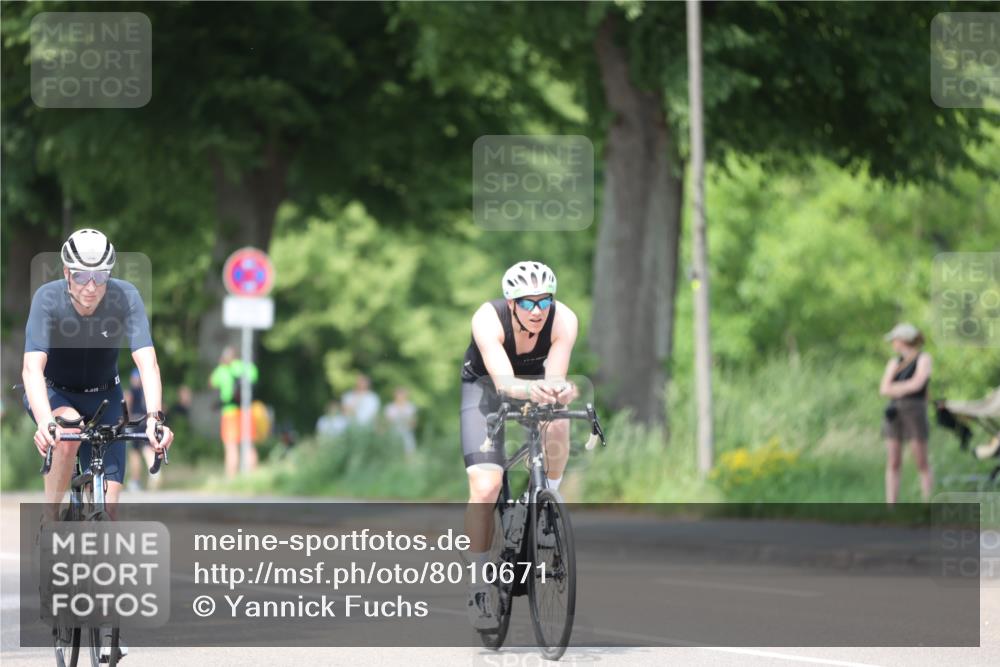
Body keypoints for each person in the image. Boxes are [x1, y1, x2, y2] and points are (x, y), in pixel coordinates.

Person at [21, 228, 174, 661]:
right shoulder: (48, 299)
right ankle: (50, 527)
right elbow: (33, 368)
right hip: (57, 395)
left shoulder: (124, 297)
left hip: (106, 397)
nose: (91, 288)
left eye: (100, 276)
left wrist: (156, 418)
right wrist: (46, 421)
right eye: (82, 277)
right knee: (67, 437)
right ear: (66, 272)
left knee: (109, 510)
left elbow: (147, 360)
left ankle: (108, 623)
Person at [459, 261, 578, 629]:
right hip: (486, 388)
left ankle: (545, 510)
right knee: (486, 486)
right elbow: (505, 382)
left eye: (545, 301)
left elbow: (554, 376)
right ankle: (478, 585)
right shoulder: (487, 318)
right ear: (511, 304)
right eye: (528, 303)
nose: (538, 311)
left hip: (535, 383)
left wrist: (560, 390)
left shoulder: (564, 320)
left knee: (558, 421)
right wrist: (535, 388)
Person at [879, 322, 933, 503]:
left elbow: (918, 384)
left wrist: (896, 387)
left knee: (921, 460)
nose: (893, 343)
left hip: (914, 410)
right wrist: (903, 388)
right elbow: (884, 388)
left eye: (895, 339)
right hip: (894, 411)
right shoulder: (894, 362)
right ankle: (891, 503)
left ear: (903, 340)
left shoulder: (923, 359)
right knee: (893, 459)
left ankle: (927, 500)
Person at [209, 346, 258, 477]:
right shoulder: (245, 366)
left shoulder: (222, 369)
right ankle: (253, 476)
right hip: (246, 411)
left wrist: (221, 365)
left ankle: (231, 477)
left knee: (231, 446)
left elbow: (212, 382)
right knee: (248, 444)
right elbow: (255, 376)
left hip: (230, 412)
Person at [125, 368, 159, 491]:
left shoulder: (132, 391)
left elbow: (127, 403)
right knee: (147, 448)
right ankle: (154, 470)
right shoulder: (147, 392)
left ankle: (135, 481)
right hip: (147, 422)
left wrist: (125, 420)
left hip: (135, 422)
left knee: (135, 453)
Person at [384, 386, 418, 455]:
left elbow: (413, 424)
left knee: (408, 452)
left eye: (402, 395)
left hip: (407, 433)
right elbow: (387, 422)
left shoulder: (410, 407)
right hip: (393, 433)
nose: (400, 397)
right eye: (398, 395)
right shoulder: (390, 407)